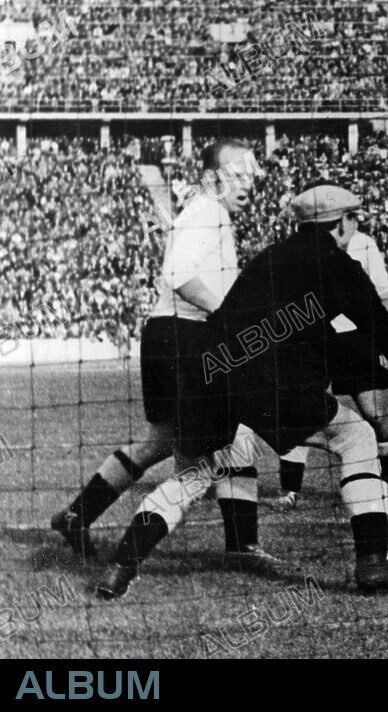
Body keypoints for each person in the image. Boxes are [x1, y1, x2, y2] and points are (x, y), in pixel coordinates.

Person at [95, 183, 388, 599]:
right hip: (273, 381)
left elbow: (283, 330)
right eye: (354, 218)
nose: (356, 226)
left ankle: (121, 567)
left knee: (193, 475)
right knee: (358, 436)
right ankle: (373, 564)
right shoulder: (339, 266)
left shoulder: (268, 259)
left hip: (209, 371)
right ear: (341, 223)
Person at [52, 139, 273, 572]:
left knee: (161, 441)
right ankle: (235, 546)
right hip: (185, 337)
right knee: (225, 442)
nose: (249, 183)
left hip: (165, 335)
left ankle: (78, 514)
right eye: (238, 174)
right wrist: (229, 316)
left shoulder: (206, 210)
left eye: (251, 174)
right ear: (212, 178)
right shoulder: (208, 211)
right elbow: (178, 274)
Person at [273, 184, 388, 511]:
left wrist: (386, 347)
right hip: (316, 345)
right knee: (304, 412)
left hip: (355, 345)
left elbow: (384, 296)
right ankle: (290, 491)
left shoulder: (364, 244)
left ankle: (386, 483)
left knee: (373, 416)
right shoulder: (297, 251)